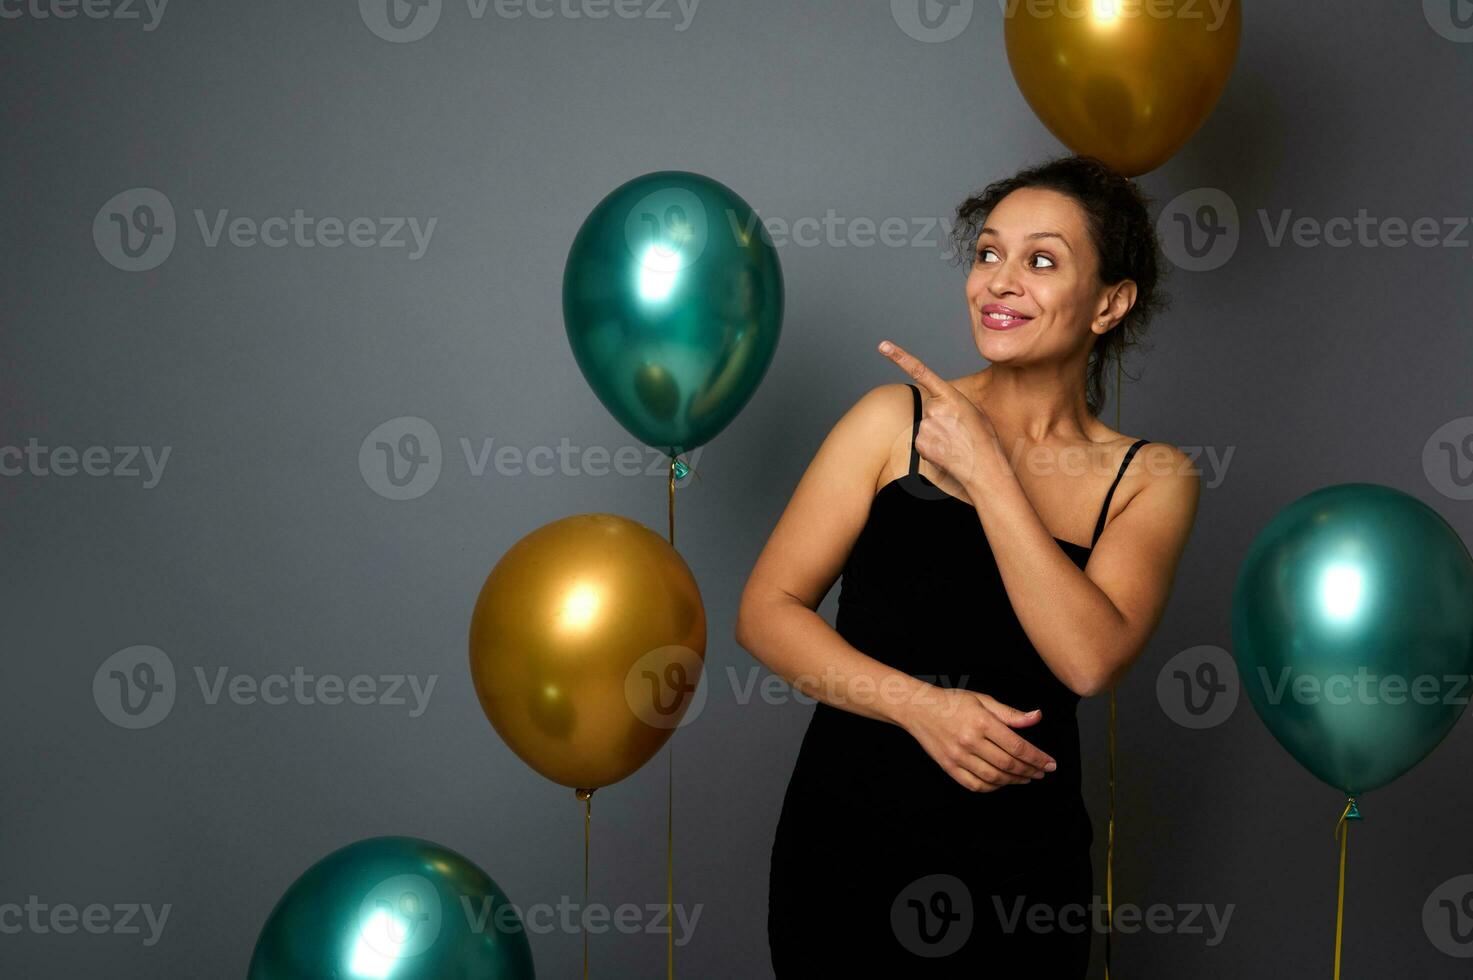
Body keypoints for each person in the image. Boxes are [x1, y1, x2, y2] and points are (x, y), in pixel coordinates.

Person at [734, 154, 1200, 975]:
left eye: (1041, 260)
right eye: (988, 254)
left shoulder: (1151, 478)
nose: (999, 282)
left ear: (1110, 303)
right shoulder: (889, 420)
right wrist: (921, 708)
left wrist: (987, 472)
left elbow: (1086, 660)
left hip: (1021, 871)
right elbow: (766, 610)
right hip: (848, 846)